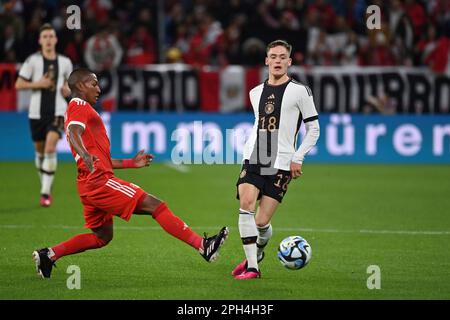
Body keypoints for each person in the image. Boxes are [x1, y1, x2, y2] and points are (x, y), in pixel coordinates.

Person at [32, 68, 229, 279]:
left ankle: (49, 255)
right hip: (99, 182)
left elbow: (98, 156)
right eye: (93, 84)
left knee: (102, 237)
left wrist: (129, 163)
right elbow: (73, 131)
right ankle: (202, 246)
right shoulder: (79, 105)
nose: (98, 89)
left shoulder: (80, 109)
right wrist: (85, 154)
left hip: (88, 184)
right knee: (156, 206)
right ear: (80, 86)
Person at [232, 40, 320, 280]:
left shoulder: (300, 91)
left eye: (283, 57)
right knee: (246, 204)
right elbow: (258, 125)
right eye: (274, 56)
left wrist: (298, 157)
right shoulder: (255, 92)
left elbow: (314, 129)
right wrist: (247, 151)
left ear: (289, 62)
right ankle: (253, 268)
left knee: (261, 222)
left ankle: (256, 254)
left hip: (282, 159)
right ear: (266, 60)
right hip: (258, 152)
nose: (278, 60)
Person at [15, 23, 73, 207]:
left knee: (49, 148)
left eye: (51, 36)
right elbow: (19, 84)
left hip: (57, 111)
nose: (48, 39)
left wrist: (67, 90)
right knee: (39, 152)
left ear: (55, 39)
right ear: (40, 41)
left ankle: (45, 192)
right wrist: (38, 84)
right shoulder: (32, 61)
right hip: (36, 113)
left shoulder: (65, 62)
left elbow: (69, 87)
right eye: (45, 37)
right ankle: (45, 184)